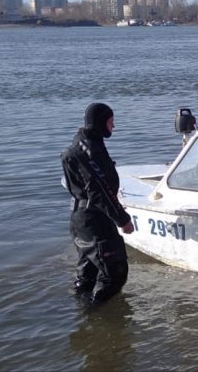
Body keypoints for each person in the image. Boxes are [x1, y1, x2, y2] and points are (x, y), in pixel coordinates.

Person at [61, 103, 135, 304]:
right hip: (94, 220)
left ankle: (83, 320)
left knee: (89, 272)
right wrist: (122, 219)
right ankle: (99, 321)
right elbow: (99, 190)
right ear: (101, 122)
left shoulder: (82, 142)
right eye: (111, 122)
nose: (113, 126)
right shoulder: (91, 151)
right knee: (114, 274)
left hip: (81, 219)